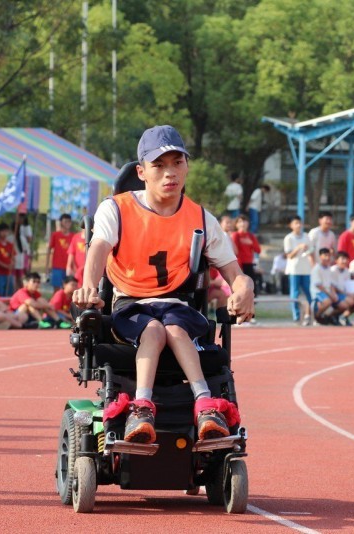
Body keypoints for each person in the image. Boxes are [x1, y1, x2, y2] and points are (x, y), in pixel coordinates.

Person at [72, 125, 254, 444]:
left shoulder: (201, 219)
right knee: (154, 329)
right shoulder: (116, 208)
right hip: (131, 306)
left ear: (187, 166)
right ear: (142, 172)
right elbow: (98, 248)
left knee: (173, 329)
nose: (170, 173)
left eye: (177, 163)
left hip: (177, 306)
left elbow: (234, 272)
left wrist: (245, 288)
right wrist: (88, 285)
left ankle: (205, 405)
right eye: (159, 165)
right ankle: (142, 407)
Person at [283, 215, 312, 324]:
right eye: (296, 223)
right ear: (291, 225)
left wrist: (307, 249)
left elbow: (310, 251)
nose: (298, 225)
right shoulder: (289, 238)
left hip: (306, 269)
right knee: (294, 294)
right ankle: (296, 316)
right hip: (294, 270)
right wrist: (298, 248)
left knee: (309, 293)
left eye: (300, 223)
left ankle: (309, 315)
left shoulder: (306, 236)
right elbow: (289, 255)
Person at [231, 215, 261, 291]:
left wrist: (251, 243)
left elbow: (258, 250)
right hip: (239, 264)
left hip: (249, 263)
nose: (243, 223)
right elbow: (235, 251)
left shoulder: (251, 236)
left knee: (251, 286)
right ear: (236, 224)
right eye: (240, 221)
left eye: (244, 221)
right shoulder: (235, 235)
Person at [329, 251, 354, 325]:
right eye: (342, 259)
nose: (345, 261)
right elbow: (333, 287)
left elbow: (348, 285)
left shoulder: (346, 271)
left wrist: (353, 293)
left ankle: (343, 317)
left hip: (343, 294)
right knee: (349, 302)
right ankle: (329, 316)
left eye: (346, 259)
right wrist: (347, 294)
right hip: (334, 294)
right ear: (336, 260)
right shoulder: (333, 270)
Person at [45, 213, 74, 289]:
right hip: (57, 267)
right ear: (61, 222)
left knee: (69, 289)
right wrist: (47, 266)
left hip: (69, 268)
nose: (67, 223)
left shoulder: (74, 236)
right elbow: (49, 250)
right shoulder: (55, 235)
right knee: (57, 289)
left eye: (69, 221)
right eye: (65, 221)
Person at [310, 248, 338, 324]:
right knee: (328, 301)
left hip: (327, 292)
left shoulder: (329, 268)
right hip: (318, 292)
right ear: (320, 257)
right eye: (325, 256)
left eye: (329, 256)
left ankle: (328, 317)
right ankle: (317, 316)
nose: (327, 258)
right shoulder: (317, 269)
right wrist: (330, 295)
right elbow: (318, 285)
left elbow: (331, 283)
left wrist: (333, 294)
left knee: (340, 302)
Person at [0, 223, 15, 297]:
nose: (4, 233)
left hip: (9, 273)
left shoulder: (10, 245)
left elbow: (13, 257)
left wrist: (12, 264)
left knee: (9, 292)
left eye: (6, 231)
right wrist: (5, 266)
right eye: (2, 231)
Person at [14, 213, 33, 287]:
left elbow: (29, 239)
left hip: (24, 252)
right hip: (20, 251)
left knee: (23, 273)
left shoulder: (27, 227)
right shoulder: (18, 227)